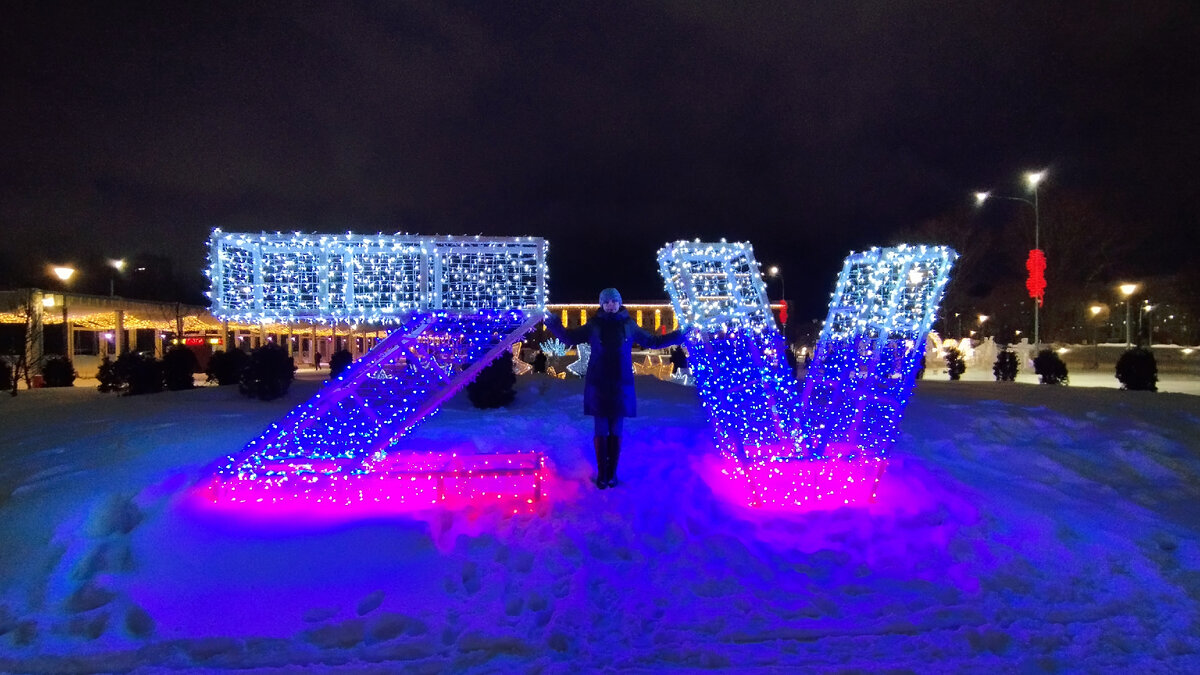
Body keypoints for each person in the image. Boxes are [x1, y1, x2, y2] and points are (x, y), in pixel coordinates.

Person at [547, 287, 689, 489]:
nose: (610, 305)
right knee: (601, 429)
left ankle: (612, 473)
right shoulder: (594, 325)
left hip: (621, 384)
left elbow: (653, 341)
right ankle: (602, 475)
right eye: (607, 302)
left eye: (614, 301)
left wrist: (679, 336)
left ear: (619, 303)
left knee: (616, 430)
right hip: (599, 383)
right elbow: (570, 338)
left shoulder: (628, 325)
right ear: (602, 304)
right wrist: (553, 324)